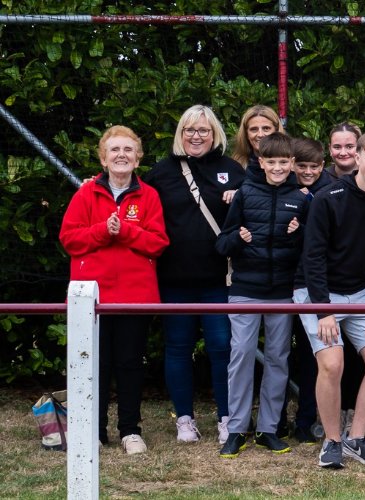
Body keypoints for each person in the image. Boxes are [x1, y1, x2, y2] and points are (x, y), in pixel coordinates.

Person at [60, 125, 169, 455]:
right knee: (94, 364)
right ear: (103, 158)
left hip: (135, 294)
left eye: (128, 150)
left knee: (129, 363)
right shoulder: (86, 193)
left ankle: (130, 430)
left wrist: (125, 232)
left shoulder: (148, 195)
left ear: (138, 158)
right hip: (91, 296)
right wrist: (101, 232)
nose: (121, 155)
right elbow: (69, 239)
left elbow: (158, 243)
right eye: (114, 150)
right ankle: (93, 430)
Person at [297, 130, 365, 470]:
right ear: (357, 158)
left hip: (360, 294)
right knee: (332, 363)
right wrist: (323, 309)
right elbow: (312, 257)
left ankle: (356, 438)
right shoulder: (329, 197)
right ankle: (331, 441)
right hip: (318, 293)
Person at [141, 104, 243, 445]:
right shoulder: (162, 172)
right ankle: (184, 419)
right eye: (189, 130)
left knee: (222, 347)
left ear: (214, 134)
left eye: (203, 130)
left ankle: (226, 417)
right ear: (180, 134)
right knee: (178, 348)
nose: (196, 136)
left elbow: (256, 207)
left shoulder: (232, 169)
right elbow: (131, 201)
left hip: (219, 280)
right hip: (174, 280)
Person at [214, 132, 304, 458]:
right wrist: (237, 237)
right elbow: (222, 244)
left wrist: (299, 234)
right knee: (241, 355)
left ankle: (268, 428)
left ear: (291, 163)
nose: (278, 168)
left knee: (279, 358)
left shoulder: (302, 199)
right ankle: (237, 429)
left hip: (282, 292)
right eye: (272, 162)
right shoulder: (245, 193)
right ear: (261, 162)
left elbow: (308, 252)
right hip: (245, 290)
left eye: (284, 162)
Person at [285, 135, 333, 443]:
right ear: (292, 165)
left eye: (313, 166)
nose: (307, 172)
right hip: (281, 280)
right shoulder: (282, 188)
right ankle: (275, 420)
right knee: (280, 355)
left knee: (309, 355)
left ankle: (305, 420)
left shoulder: (330, 192)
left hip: (311, 284)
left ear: (322, 166)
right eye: (301, 166)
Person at [231, 104, 281, 169]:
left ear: (276, 131)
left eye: (266, 128)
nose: (260, 134)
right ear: (246, 134)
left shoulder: (292, 167)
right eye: (254, 129)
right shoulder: (235, 167)